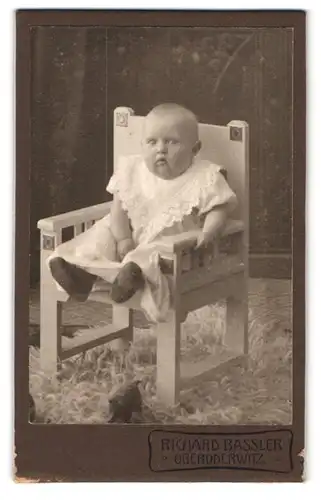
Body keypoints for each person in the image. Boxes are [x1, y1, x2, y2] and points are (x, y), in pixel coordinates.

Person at [48, 103, 237, 322]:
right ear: (142, 145)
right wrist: (123, 238)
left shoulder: (205, 176)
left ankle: (132, 274)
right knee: (101, 231)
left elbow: (220, 207)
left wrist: (210, 230)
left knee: (153, 251)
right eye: (152, 142)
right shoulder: (132, 170)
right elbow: (118, 210)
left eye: (172, 141)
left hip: (174, 248)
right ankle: (77, 268)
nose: (161, 149)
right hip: (129, 236)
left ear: (195, 149)